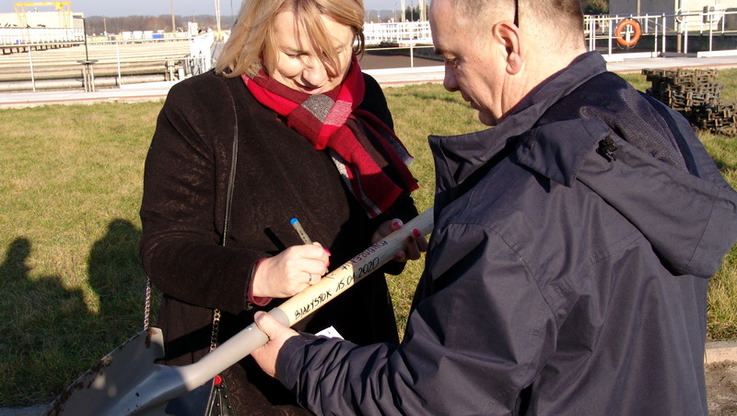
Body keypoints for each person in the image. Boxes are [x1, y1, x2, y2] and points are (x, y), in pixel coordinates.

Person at [251, 0, 737, 415]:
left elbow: (427, 398)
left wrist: (299, 359)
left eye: (453, 58)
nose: (446, 81)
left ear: (509, 43)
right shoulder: (657, 124)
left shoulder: (511, 216)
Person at [138, 0, 427, 414]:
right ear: (258, 33)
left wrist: (390, 231)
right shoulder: (202, 105)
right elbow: (163, 248)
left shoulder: (364, 97)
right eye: (295, 54)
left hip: (352, 357)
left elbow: (384, 199)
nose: (316, 75)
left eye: (336, 53)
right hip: (241, 364)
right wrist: (259, 275)